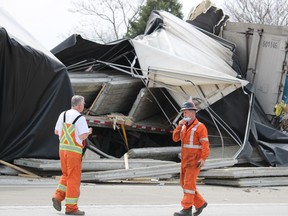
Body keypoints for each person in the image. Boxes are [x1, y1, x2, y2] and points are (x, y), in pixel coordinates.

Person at [52, 95, 92, 215]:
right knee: (73, 178)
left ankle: (58, 197)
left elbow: (56, 131)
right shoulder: (80, 118)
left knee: (66, 174)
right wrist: (89, 132)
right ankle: (71, 208)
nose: (84, 106)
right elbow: (83, 135)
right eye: (84, 104)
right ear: (79, 105)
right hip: (73, 152)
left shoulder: (63, 114)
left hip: (62, 150)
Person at [172, 101, 210, 216]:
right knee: (184, 184)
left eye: (186, 112)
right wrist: (179, 126)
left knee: (188, 184)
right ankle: (200, 203)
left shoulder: (200, 127)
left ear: (193, 112)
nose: (184, 115)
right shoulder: (183, 126)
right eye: (183, 113)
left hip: (194, 161)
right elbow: (175, 138)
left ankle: (186, 209)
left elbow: (205, 145)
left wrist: (203, 158)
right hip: (185, 160)